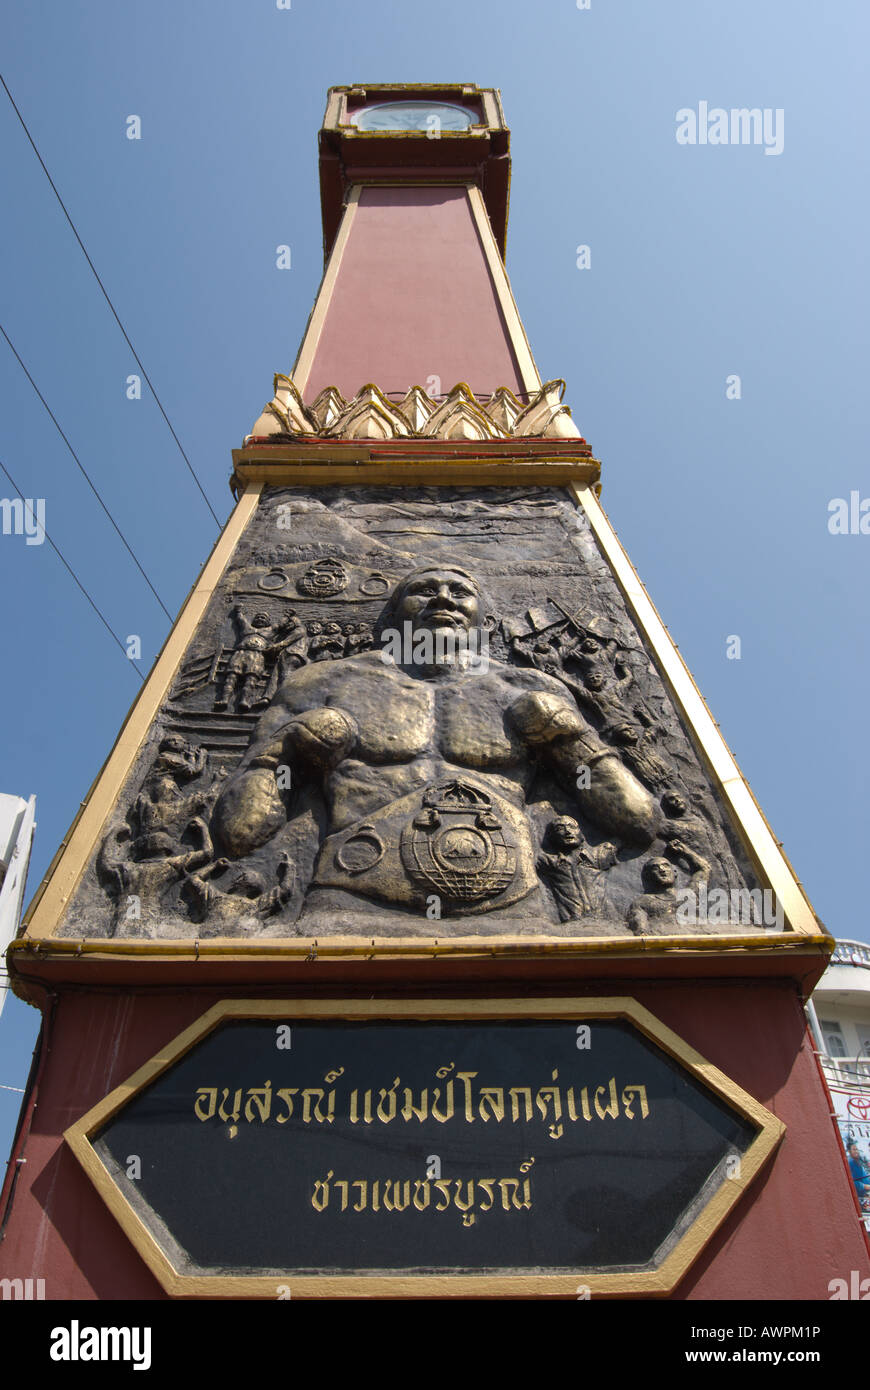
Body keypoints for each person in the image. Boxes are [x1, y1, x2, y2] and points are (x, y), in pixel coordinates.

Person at [213, 566, 658, 921]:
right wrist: (284, 750)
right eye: (424, 589)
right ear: (392, 615)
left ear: (485, 617)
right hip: (352, 905)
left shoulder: (525, 689)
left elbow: (638, 821)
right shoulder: (324, 683)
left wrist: (574, 740)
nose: (443, 598)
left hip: (511, 912)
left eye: (460, 591)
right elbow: (238, 835)